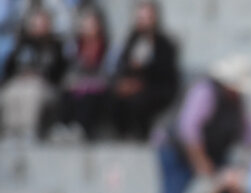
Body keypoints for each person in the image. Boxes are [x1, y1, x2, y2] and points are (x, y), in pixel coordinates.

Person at [143, 54, 251, 193]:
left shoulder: (237, 102)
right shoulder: (204, 92)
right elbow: (188, 132)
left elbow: (249, 137)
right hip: (175, 151)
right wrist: (202, 164)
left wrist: (240, 170)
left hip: (211, 152)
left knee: (232, 192)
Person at [108, 0, 179, 140]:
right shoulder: (131, 40)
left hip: (156, 88)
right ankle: (122, 134)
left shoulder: (164, 44)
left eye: (147, 18)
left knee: (140, 101)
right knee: (113, 96)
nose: (144, 22)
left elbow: (166, 74)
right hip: (133, 86)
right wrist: (125, 82)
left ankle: (141, 135)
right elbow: (122, 65)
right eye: (141, 18)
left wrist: (141, 81)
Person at [0, 8, 66, 139]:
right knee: (10, 93)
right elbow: (10, 69)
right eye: (36, 23)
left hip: (45, 85)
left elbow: (57, 72)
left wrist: (37, 74)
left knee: (32, 92)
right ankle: (11, 130)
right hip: (20, 83)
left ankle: (28, 131)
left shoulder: (55, 45)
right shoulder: (22, 44)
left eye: (42, 23)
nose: (39, 27)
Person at [57, 6, 107, 140]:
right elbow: (70, 68)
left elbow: (108, 70)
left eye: (92, 24)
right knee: (68, 90)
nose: (88, 27)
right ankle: (64, 126)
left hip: (98, 84)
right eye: (85, 24)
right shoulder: (74, 46)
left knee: (88, 95)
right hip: (78, 82)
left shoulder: (106, 46)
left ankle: (81, 128)